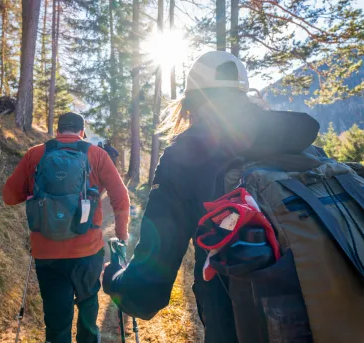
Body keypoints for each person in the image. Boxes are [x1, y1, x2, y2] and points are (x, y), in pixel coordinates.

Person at [102, 51, 323, 343]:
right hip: (327, 314)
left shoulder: (185, 154)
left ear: (191, 102)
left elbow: (148, 288)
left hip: (240, 326)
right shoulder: (302, 147)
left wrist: (115, 279)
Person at [3, 112, 130, 343]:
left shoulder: (36, 154)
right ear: (82, 132)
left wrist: (35, 194)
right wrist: (121, 235)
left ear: (58, 131)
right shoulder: (97, 155)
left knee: (57, 318)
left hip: (46, 251)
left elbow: (8, 197)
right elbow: (121, 198)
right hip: (87, 251)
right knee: (88, 305)